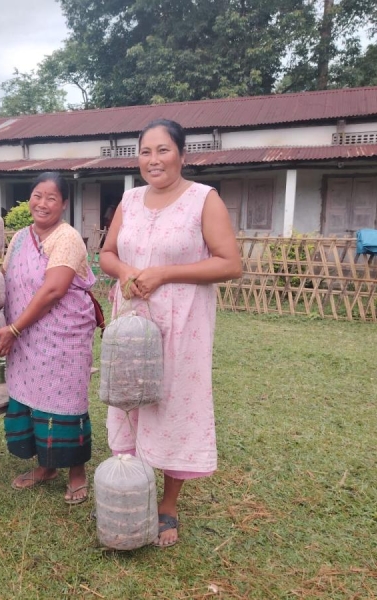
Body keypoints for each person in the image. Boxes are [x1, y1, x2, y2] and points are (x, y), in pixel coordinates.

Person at [99, 119, 242, 547]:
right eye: (145, 151)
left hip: (183, 324)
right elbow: (107, 253)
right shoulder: (129, 200)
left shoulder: (204, 199)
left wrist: (163, 273)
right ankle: (131, 489)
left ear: (181, 154)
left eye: (163, 150)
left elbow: (229, 263)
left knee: (174, 402)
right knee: (130, 397)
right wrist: (126, 270)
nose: (153, 160)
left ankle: (168, 504)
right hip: (132, 322)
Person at [0, 172, 98, 505]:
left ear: (64, 204)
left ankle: (76, 474)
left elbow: (53, 290)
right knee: (32, 397)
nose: (43, 203)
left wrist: (14, 329)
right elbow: (6, 277)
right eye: (37, 195)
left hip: (62, 336)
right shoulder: (21, 237)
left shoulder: (67, 237)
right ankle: (46, 467)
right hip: (25, 336)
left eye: (52, 198)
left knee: (66, 400)